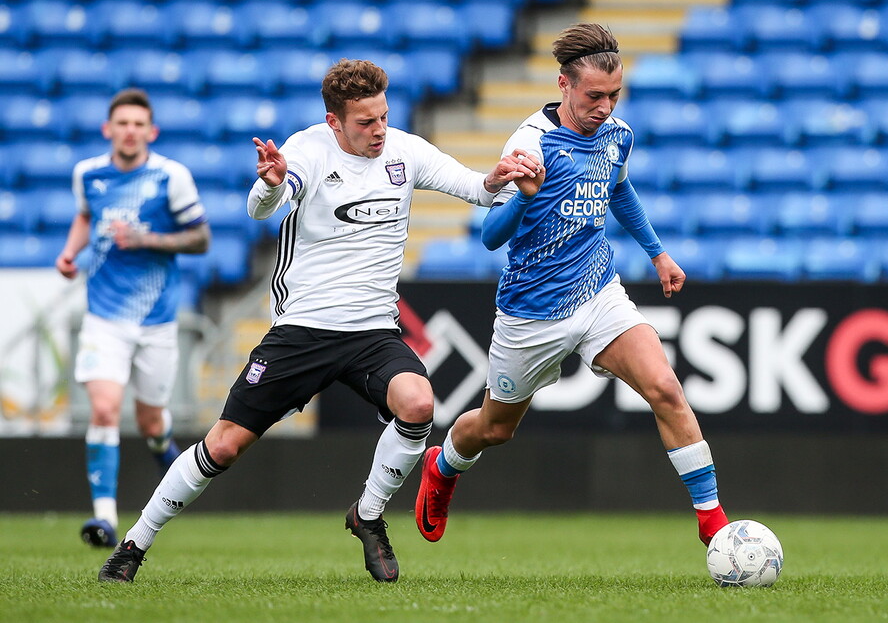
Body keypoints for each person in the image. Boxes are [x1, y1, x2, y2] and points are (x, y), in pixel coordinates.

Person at [97, 58, 540, 584]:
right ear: (335, 122)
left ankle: (368, 517)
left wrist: (498, 177)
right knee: (223, 445)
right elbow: (263, 207)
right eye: (365, 122)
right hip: (303, 328)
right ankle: (133, 545)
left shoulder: (405, 150)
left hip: (373, 330)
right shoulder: (306, 149)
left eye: (383, 116)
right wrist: (270, 184)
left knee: (419, 403)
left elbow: (477, 190)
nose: (379, 131)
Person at [415, 23, 731, 549]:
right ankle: (443, 466)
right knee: (495, 428)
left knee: (666, 389)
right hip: (531, 312)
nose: (605, 107)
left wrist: (657, 252)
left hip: (599, 291)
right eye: (594, 96)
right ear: (564, 85)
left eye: (614, 95)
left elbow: (619, 186)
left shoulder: (617, 135)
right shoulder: (530, 143)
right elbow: (492, 238)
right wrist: (521, 195)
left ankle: (713, 523)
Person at [56, 88, 211, 550]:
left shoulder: (170, 176)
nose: (129, 131)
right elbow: (86, 216)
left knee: (149, 421)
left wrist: (147, 240)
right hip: (104, 316)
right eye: (121, 123)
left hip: (157, 320)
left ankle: (161, 445)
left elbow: (200, 238)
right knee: (103, 408)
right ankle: (104, 518)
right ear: (108, 130)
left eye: (138, 124)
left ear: (151, 131)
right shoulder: (88, 174)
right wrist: (69, 252)